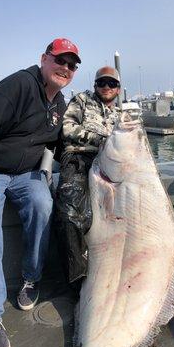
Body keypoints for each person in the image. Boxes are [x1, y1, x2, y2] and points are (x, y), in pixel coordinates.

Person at [0, 37, 81, 347]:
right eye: (60, 60)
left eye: (71, 65)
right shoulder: (18, 86)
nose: (65, 68)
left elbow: (62, 145)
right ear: (44, 59)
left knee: (44, 204)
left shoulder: (60, 104)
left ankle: (31, 277)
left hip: (26, 175)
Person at [54, 66, 121, 291]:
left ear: (118, 89)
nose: (106, 87)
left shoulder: (120, 116)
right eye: (102, 82)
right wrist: (101, 139)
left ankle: (114, 273)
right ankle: (78, 281)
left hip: (109, 166)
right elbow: (67, 128)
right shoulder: (81, 100)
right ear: (95, 85)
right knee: (69, 215)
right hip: (78, 160)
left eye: (111, 83)